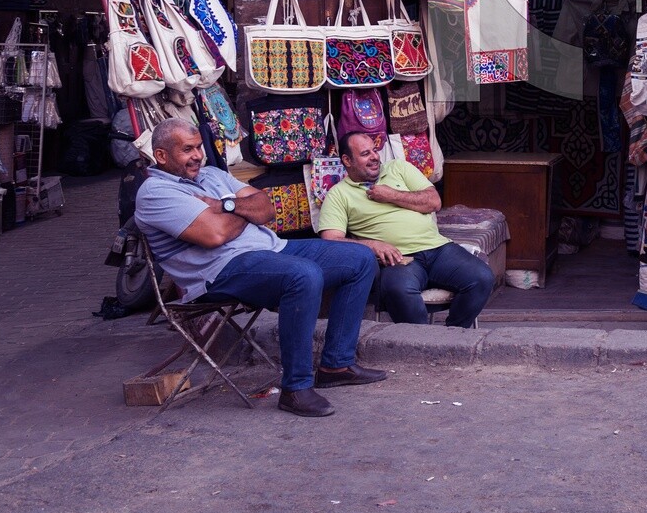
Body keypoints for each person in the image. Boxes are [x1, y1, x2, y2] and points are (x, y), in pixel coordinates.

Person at [134, 118, 385, 418]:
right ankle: (296, 388)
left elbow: (267, 207)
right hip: (220, 271)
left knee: (359, 258)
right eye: (187, 150)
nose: (198, 156)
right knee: (303, 275)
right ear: (161, 156)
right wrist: (242, 209)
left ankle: (337, 365)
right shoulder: (155, 192)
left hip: (272, 249)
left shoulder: (212, 174)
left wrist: (224, 206)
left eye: (199, 147)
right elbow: (215, 235)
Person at [319, 132, 494, 327]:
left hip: (438, 249)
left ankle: (451, 336)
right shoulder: (339, 194)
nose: (375, 157)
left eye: (375, 150)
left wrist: (392, 194)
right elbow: (331, 240)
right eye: (365, 153)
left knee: (482, 277)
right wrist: (373, 245)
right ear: (347, 160)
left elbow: (434, 202)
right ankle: (421, 344)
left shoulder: (398, 168)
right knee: (397, 290)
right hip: (399, 259)